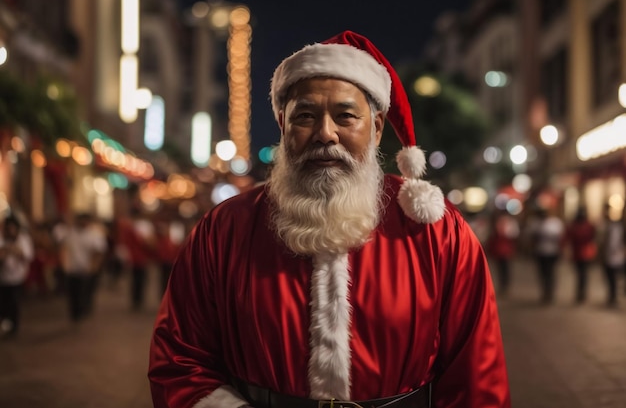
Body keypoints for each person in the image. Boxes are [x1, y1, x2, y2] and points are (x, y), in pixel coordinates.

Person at [149, 31, 510, 408]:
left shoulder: (437, 232)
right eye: (305, 116)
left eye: (345, 116)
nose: (325, 133)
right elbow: (179, 360)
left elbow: (476, 379)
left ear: (377, 127)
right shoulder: (224, 230)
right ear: (282, 124)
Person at [57, 213, 108, 322]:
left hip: (87, 269)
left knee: (85, 292)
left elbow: (99, 252)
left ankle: (83, 310)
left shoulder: (94, 234)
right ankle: (75, 313)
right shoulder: (70, 233)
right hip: (72, 268)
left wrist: (93, 267)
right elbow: (63, 247)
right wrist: (65, 265)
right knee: (73, 292)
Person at [0, 214, 34, 338]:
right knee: (3, 305)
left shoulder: (23, 239)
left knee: (14, 303)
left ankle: (12, 328)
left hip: (17, 278)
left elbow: (28, 256)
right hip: (3, 278)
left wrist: (15, 250)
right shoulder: (2, 239)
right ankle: (6, 325)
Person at [565, 207, 597, 303]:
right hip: (578, 253)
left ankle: (582, 292)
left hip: (585, 253)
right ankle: (580, 292)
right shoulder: (576, 226)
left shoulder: (587, 226)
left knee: (583, 274)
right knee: (581, 274)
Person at [486, 210, 520, 296]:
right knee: (500, 268)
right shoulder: (496, 223)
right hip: (498, 249)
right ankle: (502, 285)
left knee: (506, 267)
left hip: (506, 248)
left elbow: (514, 234)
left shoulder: (511, 223)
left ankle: (506, 285)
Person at [598, 204, 624, 306]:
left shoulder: (617, 228)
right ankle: (611, 297)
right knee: (610, 278)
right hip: (610, 257)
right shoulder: (608, 227)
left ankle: (613, 297)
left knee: (613, 278)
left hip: (615, 257)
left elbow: (614, 244)